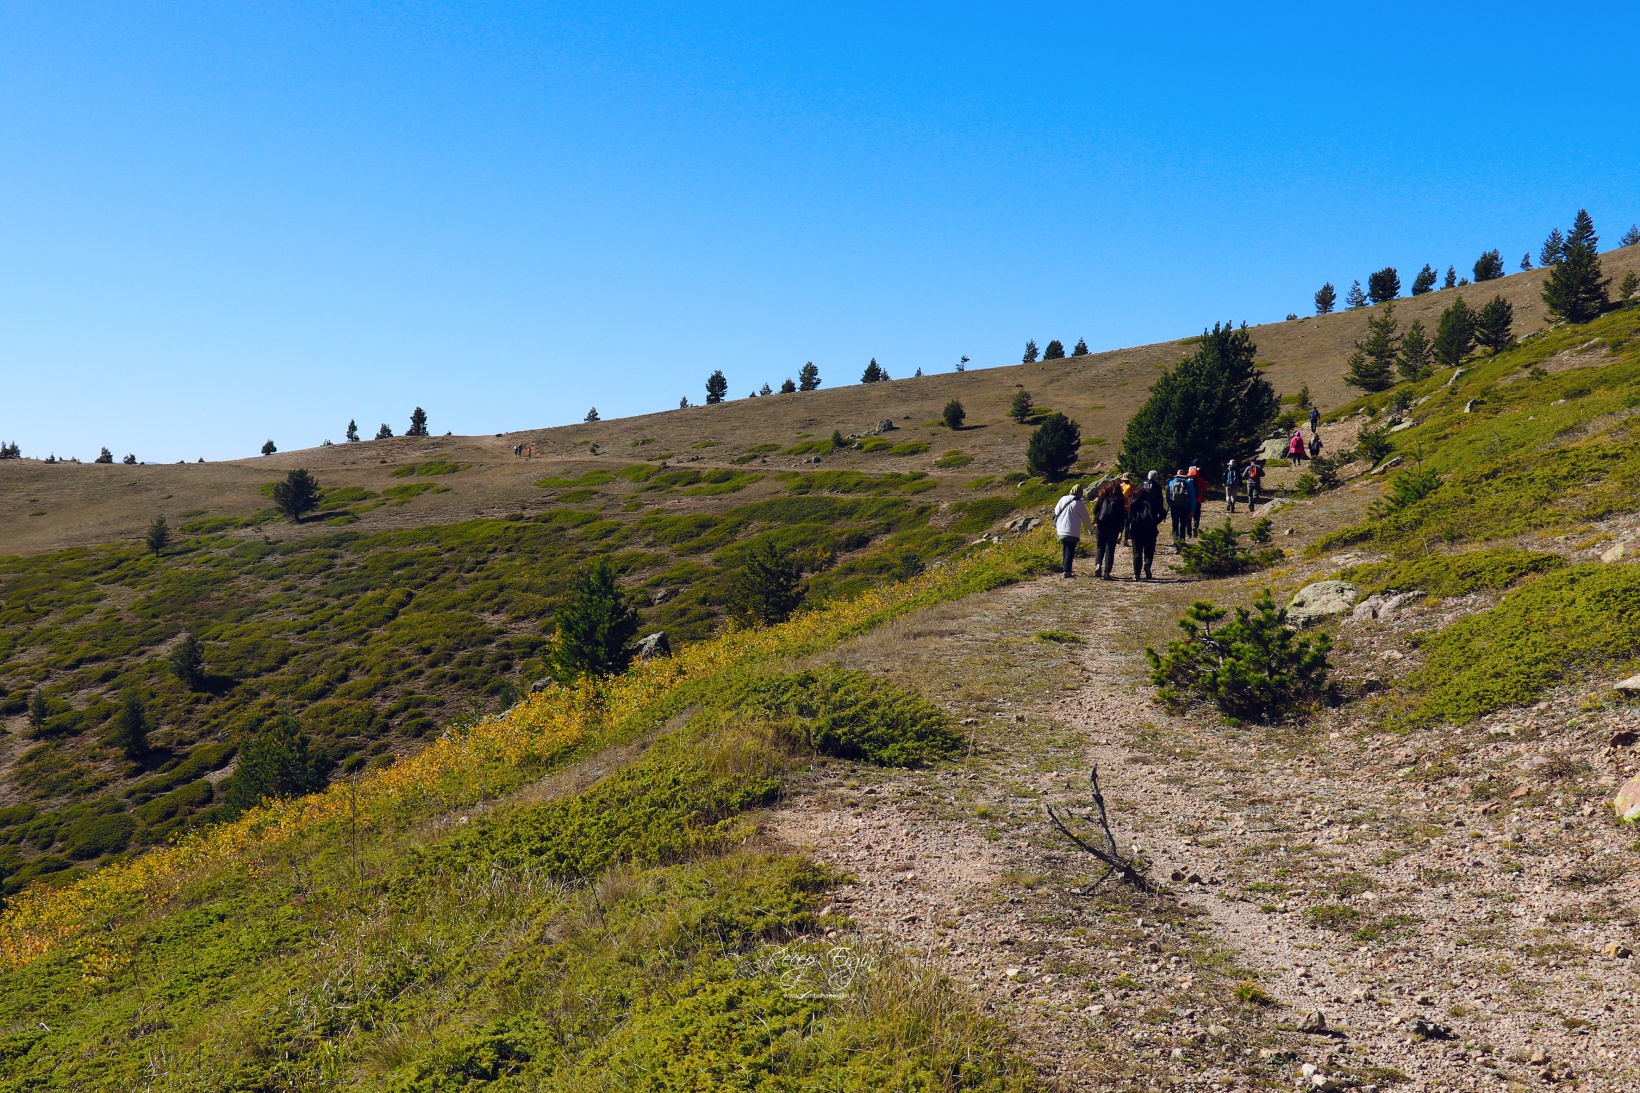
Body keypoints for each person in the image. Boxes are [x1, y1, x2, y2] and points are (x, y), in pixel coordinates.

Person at [1127, 471, 1166, 579]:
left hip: (1136, 530)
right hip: (1150, 528)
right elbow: (1163, 512)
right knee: (1149, 550)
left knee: (1137, 552)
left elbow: (1129, 518)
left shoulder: (1134, 505)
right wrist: (1155, 522)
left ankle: (1136, 574)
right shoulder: (1153, 503)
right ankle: (1147, 564)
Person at [1053, 483, 1094, 578]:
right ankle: (1067, 571)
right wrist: (1090, 529)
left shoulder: (1063, 499)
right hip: (1072, 530)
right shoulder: (1078, 503)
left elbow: (1056, 511)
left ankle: (1065, 569)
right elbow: (1086, 518)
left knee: (1065, 549)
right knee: (1070, 550)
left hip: (1061, 529)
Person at [1091, 479, 1127, 579]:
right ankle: (1107, 573)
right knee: (1110, 549)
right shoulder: (1120, 500)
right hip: (1113, 527)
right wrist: (1121, 531)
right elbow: (1122, 517)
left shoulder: (1102, 497)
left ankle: (1098, 564)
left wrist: (1097, 518)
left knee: (1100, 547)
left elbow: (1095, 510)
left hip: (1101, 525)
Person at [1165, 469, 1195, 547]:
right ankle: (1182, 543)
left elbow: (1168, 497)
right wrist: (1192, 509)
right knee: (1183, 525)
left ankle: (1175, 543)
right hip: (1185, 507)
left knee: (1175, 525)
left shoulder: (1171, 483)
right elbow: (1192, 497)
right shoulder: (1188, 483)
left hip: (1174, 507)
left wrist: (1171, 505)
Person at [1186, 460, 1208, 536]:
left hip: (1188, 500)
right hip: (1198, 499)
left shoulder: (1187, 478)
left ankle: (1188, 532)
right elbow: (1205, 487)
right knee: (1197, 515)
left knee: (1188, 516)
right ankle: (1195, 526)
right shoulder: (1200, 478)